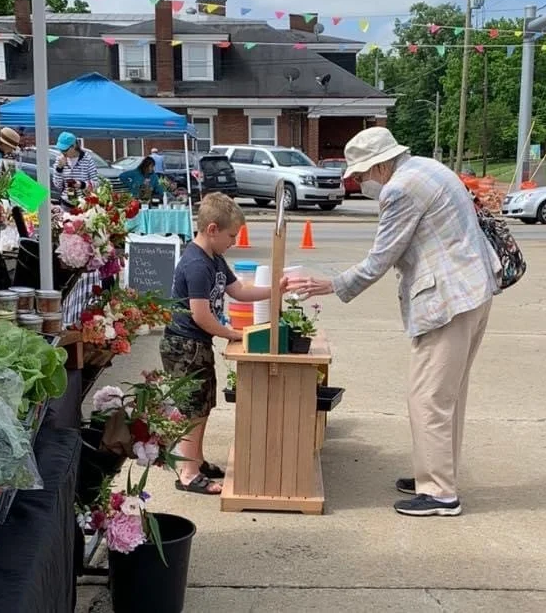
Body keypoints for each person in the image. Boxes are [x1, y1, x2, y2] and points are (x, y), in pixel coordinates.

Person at [291, 127, 501, 517]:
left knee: (428, 396)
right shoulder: (430, 168)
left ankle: (439, 493)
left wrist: (330, 284)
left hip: (447, 301)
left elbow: (380, 258)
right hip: (473, 290)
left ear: (380, 165)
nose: (360, 182)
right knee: (448, 395)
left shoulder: (399, 189)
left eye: (362, 174)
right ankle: (437, 473)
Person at [159, 193, 294, 495]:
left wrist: (275, 290)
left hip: (197, 344)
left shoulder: (215, 258)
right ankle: (188, 473)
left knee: (203, 405)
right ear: (212, 230)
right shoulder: (195, 264)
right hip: (184, 346)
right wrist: (232, 333)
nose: (234, 241)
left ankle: (196, 459)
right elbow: (201, 315)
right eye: (231, 235)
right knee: (192, 408)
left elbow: (238, 290)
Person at [52, 131, 98, 205]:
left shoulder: (87, 159)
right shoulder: (60, 160)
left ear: (74, 146)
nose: (63, 152)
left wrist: (81, 184)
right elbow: (58, 185)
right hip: (66, 202)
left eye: (65, 150)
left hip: (84, 204)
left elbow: (96, 183)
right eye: (60, 149)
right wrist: (59, 168)